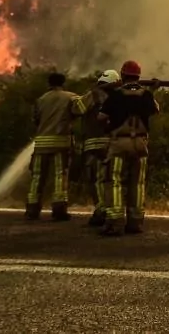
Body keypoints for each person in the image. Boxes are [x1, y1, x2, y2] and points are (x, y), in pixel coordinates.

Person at [98, 60, 159, 237]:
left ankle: (115, 222)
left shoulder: (116, 95)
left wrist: (110, 122)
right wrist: (153, 91)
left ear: (123, 75)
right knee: (137, 184)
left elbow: (101, 117)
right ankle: (135, 222)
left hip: (119, 143)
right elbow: (155, 110)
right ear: (138, 76)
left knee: (114, 181)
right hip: (141, 144)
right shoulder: (146, 95)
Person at [26, 72, 79, 221]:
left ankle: (32, 209)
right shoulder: (71, 97)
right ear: (63, 83)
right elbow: (79, 111)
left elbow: (35, 120)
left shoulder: (40, 100)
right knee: (60, 176)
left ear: (48, 83)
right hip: (60, 143)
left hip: (41, 144)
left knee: (37, 177)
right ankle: (59, 210)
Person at [71, 69, 121, 227]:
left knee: (95, 179)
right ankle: (111, 208)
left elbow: (76, 109)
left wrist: (75, 99)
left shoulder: (94, 94)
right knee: (109, 178)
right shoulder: (117, 96)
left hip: (94, 142)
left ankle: (101, 211)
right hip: (112, 142)